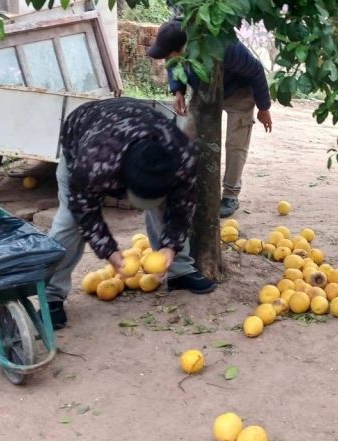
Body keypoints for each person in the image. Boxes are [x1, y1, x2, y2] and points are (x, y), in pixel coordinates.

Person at [44, 98, 216, 330]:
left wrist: (170, 247)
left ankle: (180, 271)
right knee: (70, 221)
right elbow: (84, 211)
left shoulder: (181, 155)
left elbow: (183, 205)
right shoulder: (94, 163)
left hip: (138, 129)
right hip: (84, 132)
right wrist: (110, 252)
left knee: (168, 207)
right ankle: (51, 295)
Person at [147, 19, 273, 218]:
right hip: (204, 90)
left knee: (236, 143)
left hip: (238, 91)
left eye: (172, 53)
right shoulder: (176, 44)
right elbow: (173, 64)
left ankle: (231, 195)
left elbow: (256, 70)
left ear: (183, 47)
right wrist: (178, 90)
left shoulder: (227, 48)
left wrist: (264, 107)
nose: (169, 58)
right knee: (188, 135)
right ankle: (185, 187)